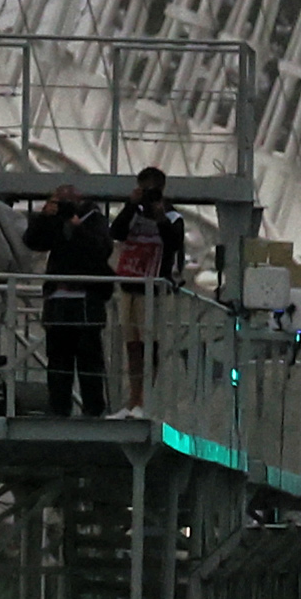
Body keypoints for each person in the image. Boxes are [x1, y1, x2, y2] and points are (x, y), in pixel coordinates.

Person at [107, 167, 188, 414]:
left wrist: (160, 217)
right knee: (131, 343)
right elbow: (116, 233)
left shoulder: (173, 217)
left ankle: (145, 397)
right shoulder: (134, 211)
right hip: (129, 282)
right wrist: (131, 205)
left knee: (148, 341)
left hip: (152, 284)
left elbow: (174, 243)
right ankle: (133, 396)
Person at [23, 188, 112, 415]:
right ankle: (58, 406)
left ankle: (93, 408)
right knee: (58, 357)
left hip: (87, 297)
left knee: (88, 357)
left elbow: (101, 249)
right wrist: (44, 217)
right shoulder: (56, 222)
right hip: (58, 297)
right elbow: (33, 241)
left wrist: (76, 226)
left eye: (64, 202)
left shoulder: (93, 220)